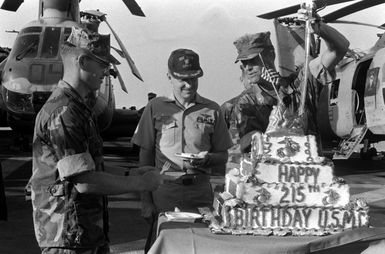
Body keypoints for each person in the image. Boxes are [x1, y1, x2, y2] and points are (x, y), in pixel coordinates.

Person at [29, 26, 162, 254]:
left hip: (85, 235)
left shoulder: (79, 109)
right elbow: (85, 181)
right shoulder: (64, 112)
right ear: (82, 62)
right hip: (67, 239)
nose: (106, 70)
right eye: (102, 63)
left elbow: (89, 165)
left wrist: (130, 173)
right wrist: (141, 184)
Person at [132, 48, 233, 252]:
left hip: (200, 194)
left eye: (194, 79)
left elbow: (224, 155)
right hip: (164, 192)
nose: (189, 85)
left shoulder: (212, 110)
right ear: (169, 76)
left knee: (201, 247)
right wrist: (145, 201)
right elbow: (145, 157)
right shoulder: (155, 107)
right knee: (163, 247)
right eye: (182, 80)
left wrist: (209, 158)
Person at [230, 5, 350, 153]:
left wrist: (319, 28)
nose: (247, 68)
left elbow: (340, 48)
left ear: (270, 55)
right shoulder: (246, 102)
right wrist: (262, 136)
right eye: (244, 62)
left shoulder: (301, 84)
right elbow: (238, 146)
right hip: (270, 172)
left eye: (253, 60)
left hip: (308, 171)